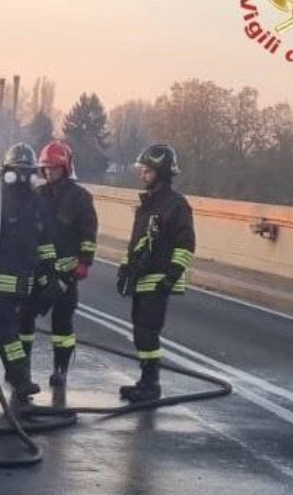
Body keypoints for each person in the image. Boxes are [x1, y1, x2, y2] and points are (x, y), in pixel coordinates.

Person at [0, 142, 53, 404]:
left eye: (27, 171)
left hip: (24, 282)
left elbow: (44, 241)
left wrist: (48, 274)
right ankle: (20, 381)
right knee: (7, 331)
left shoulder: (38, 203)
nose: (22, 177)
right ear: (6, 171)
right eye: (18, 171)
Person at [117, 144, 196, 402]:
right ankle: (145, 380)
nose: (143, 174)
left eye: (148, 170)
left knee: (147, 332)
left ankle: (152, 385)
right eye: (143, 170)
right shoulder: (147, 205)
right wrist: (124, 268)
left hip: (158, 281)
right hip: (141, 279)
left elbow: (186, 245)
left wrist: (171, 276)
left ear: (161, 172)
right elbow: (135, 242)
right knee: (139, 332)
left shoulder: (177, 205)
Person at [19, 140, 98, 387]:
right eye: (46, 168)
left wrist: (85, 262)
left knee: (62, 325)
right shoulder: (37, 194)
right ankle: (22, 370)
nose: (49, 172)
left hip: (66, 274)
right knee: (25, 320)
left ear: (65, 168)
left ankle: (60, 370)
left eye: (54, 167)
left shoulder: (80, 197)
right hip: (39, 271)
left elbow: (88, 233)